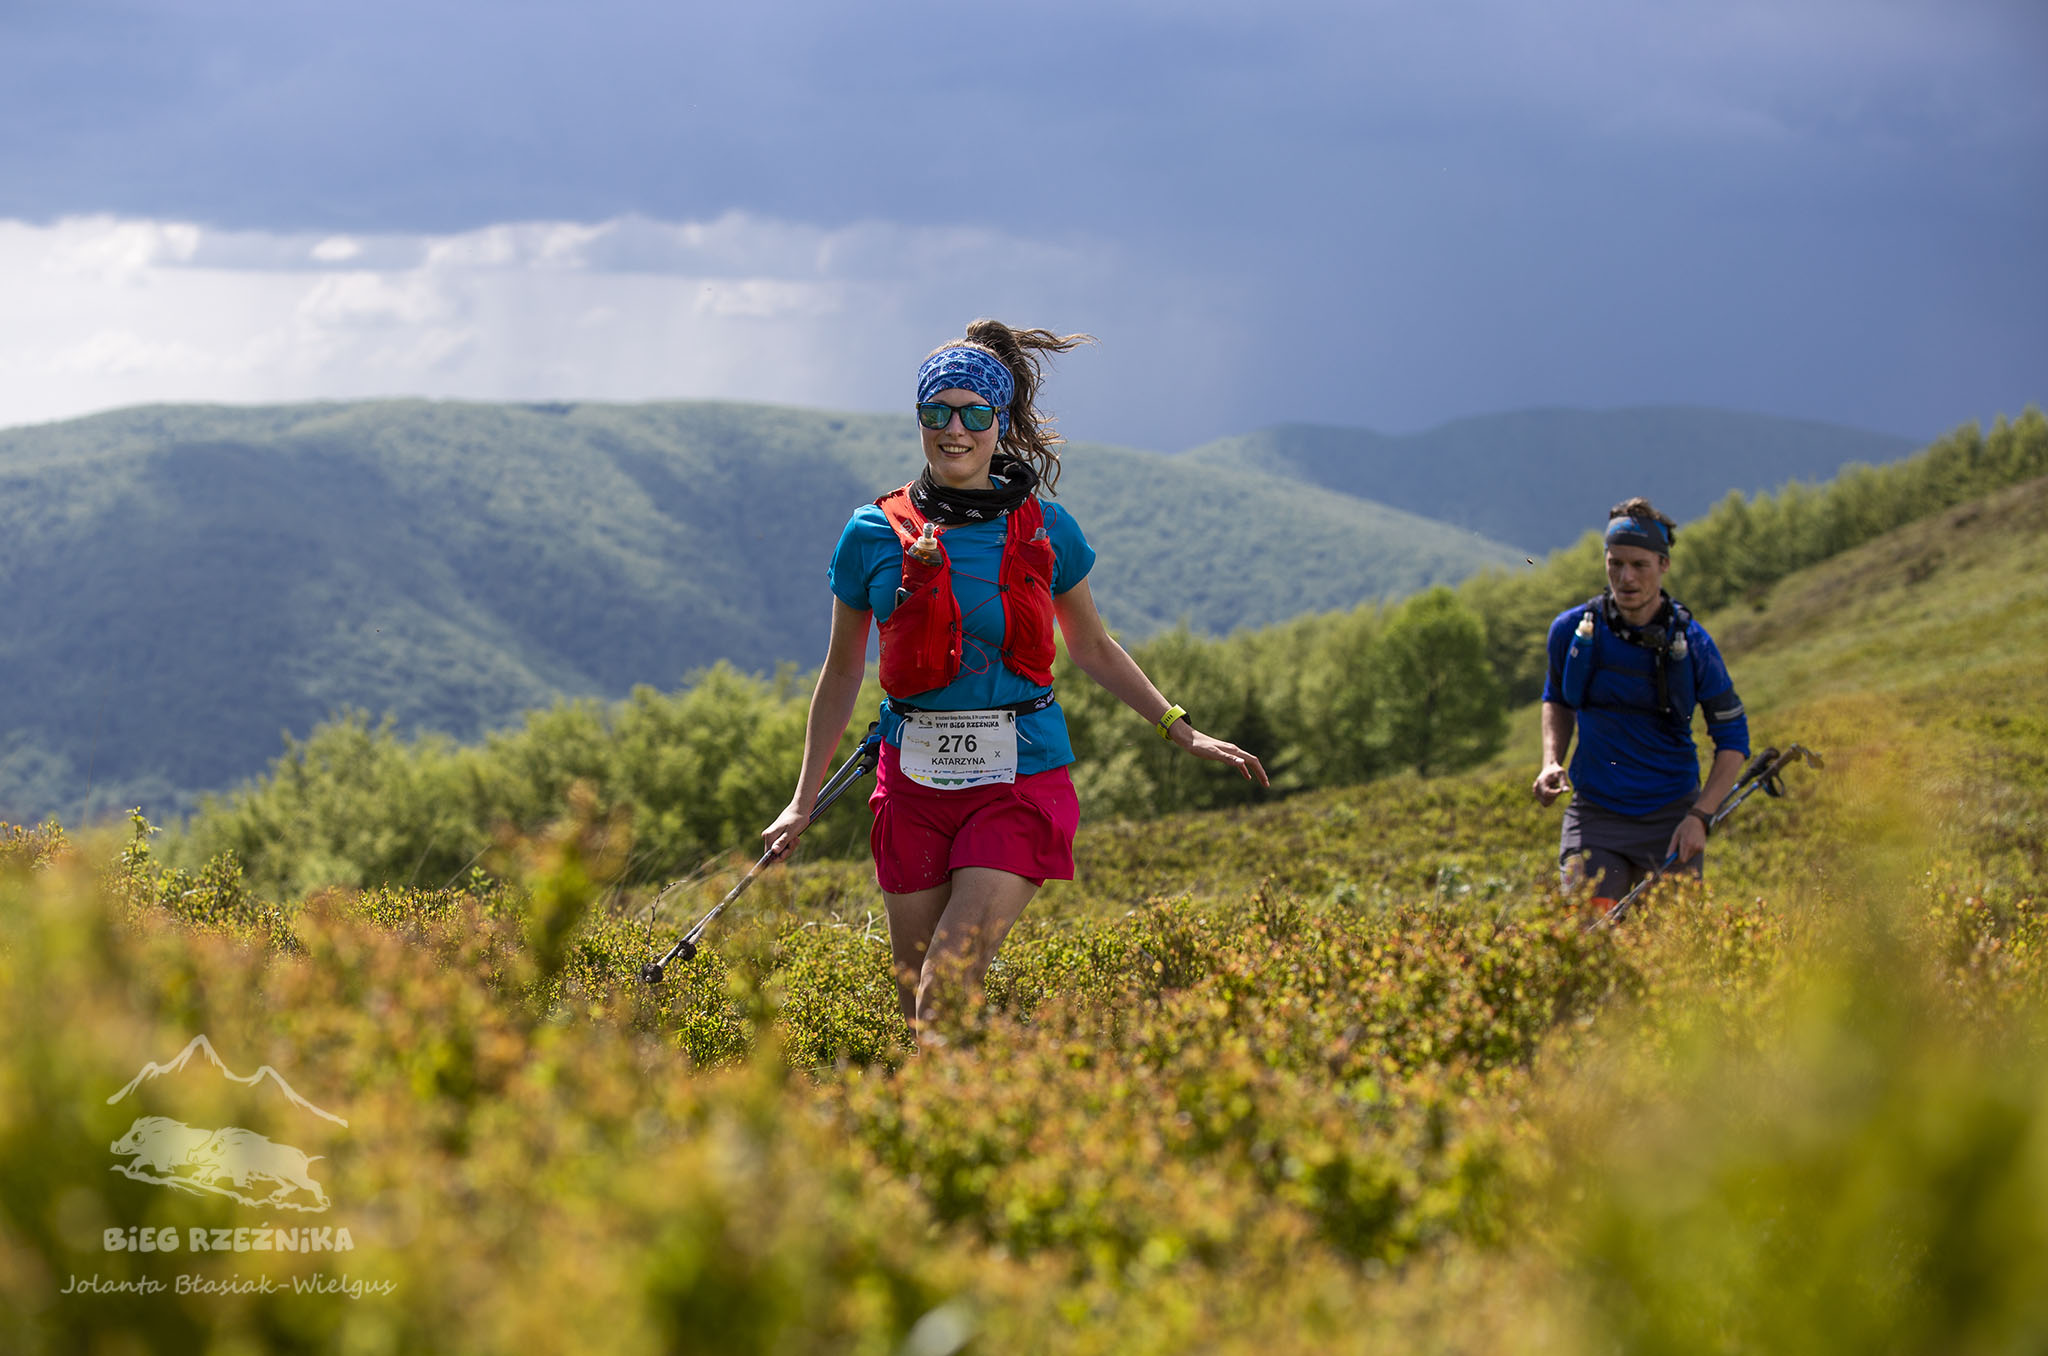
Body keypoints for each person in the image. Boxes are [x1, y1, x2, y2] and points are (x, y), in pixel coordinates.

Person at [761, 319, 1268, 1042]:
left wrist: (1179, 729)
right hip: (912, 784)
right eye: (937, 413)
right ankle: (952, 1133)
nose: (954, 430)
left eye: (974, 414)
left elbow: (1091, 646)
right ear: (919, 421)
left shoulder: (1046, 528)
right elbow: (843, 669)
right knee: (919, 1010)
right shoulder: (871, 533)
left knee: (944, 986)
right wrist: (800, 802)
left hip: (1020, 774)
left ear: (1001, 423)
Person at [1531, 497, 1750, 913]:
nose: (1625, 577)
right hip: (1595, 814)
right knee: (1586, 932)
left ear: (1663, 564)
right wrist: (1550, 760)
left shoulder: (1696, 646)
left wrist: (1700, 816)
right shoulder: (1570, 632)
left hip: (1670, 819)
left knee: (1665, 954)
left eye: (1639, 565)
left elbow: (1734, 739)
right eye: (1615, 563)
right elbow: (1557, 698)